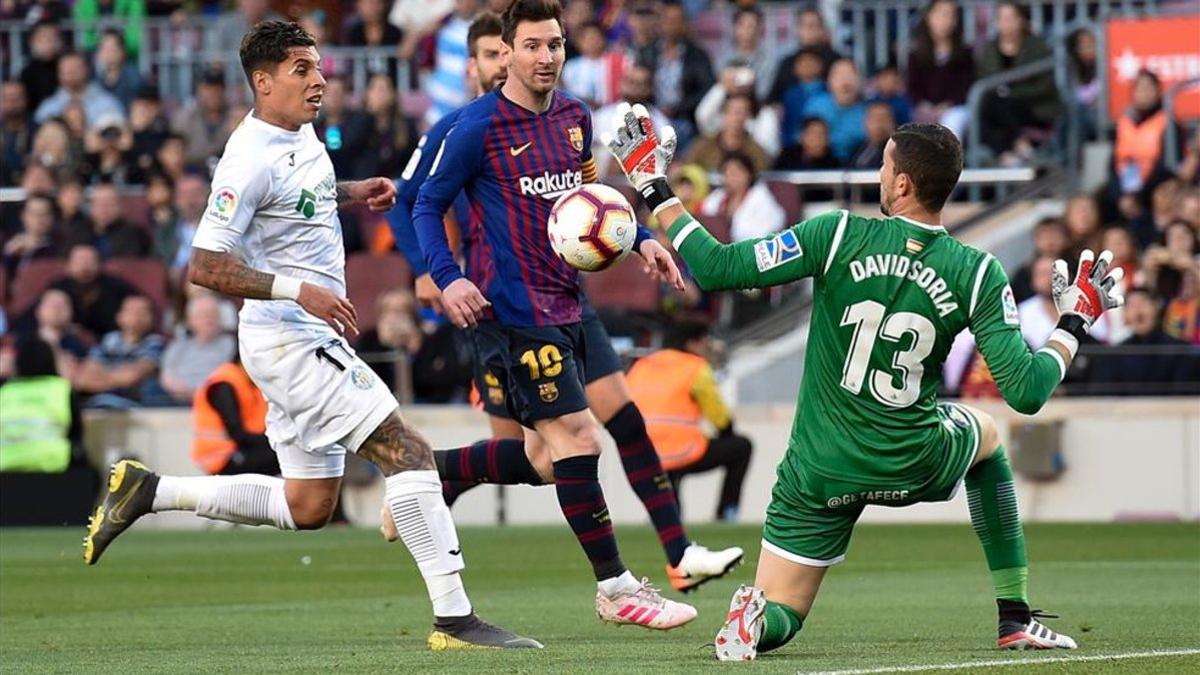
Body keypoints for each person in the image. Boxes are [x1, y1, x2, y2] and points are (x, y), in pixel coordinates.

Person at [81, 20, 540, 652]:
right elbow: (205, 266)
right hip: (290, 338)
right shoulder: (246, 158)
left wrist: (355, 193)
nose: (319, 79)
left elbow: (298, 198)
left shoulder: (299, 132)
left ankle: (151, 490)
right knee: (406, 450)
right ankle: (455, 619)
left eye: (319, 66)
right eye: (302, 69)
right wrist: (304, 292)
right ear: (262, 82)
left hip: (300, 336)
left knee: (310, 505)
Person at [605, 111, 1125, 657]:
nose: (880, 175)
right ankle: (1015, 615)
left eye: (884, 165)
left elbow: (714, 269)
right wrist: (1073, 323)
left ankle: (757, 620)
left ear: (901, 183)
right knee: (988, 435)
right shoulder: (977, 271)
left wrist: (654, 186)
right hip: (911, 455)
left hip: (819, 466)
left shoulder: (836, 233)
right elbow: (1027, 390)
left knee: (786, 610)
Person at [412, 0, 718, 628]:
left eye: (554, 45)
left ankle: (428, 472)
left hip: (569, 304)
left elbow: (588, 203)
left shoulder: (577, 119)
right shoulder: (476, 127)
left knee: (547, 460)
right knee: (581, 437)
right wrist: (448, 278)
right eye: (532, 46)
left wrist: (641, 240)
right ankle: (616, 587)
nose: (546, 57)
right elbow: (424, 206)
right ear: (509, 52)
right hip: (512, 311)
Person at [627, 321, 753, 522]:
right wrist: (727, 431)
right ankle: (727, 513)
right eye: (704, 343)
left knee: (669, 515)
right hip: (683, 450)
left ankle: (660, 515)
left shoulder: (641, 366)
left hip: (644, 453)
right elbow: (719, 417)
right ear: (692, 343)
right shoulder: (695, 367)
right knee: (741, 447)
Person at [976, 1, 1060, 162]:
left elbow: (1045, 86)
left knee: (997, 106)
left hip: (1033, 106)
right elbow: (984, 81)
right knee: (984, 112)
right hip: (998, 108)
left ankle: (1006, 151)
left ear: (1021, 20)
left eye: (1011, 18)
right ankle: (1016, 146)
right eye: (1002, 18)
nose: (1007, 23)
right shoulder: (990, 49)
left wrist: (1012, 93)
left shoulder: (1037, 47)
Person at [1088, 287, 1200, 394]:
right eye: (1132, 306)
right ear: (1125, 314)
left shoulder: (1180, 352)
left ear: (1156, 307)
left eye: (1143, 303)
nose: (1138, 312)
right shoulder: (1114, 356)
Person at [634, 0, 713, 148]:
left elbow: (706, 89)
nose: (671, 25)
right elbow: (638, 84)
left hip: (685, 117)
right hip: (652, 114)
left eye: (676, 20)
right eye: (667, 20)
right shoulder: (647, 52)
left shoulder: (697, 55)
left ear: (684, 24)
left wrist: (678, 109)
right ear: (660, 22)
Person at [0, 337, 80, 473]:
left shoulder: (5, 391)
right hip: (54, 466)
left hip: (6, 466)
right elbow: (76, 433)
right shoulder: (61, 389)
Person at [73, 294, 167, 407]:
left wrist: (101, 377)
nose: (136, 316)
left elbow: (134, 376)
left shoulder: (155, 343)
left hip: (133, 406)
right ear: (119, 316)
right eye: (131, 311)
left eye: (142, 312)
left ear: (151, 318)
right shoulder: (108, 341)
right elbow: (85, 378)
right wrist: (119, 379)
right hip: (98, 403)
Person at [191, 356, 278, 475]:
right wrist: (273, 442)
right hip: (222, 457)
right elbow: (237, 433)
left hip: (245, 449)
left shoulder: (252, 383)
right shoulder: (224, 384)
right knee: (285, 457)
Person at [906, 0, 974, 139]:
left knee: (952, 122)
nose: (946, 21)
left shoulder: (964, 53)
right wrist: (925, 105)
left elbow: (966, 85)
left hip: (956, 108)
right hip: (925, 107)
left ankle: (952, 160)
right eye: (942, 15)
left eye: (951, 15)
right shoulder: (916, 55)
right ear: (929, 17)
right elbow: (913, 86)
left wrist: (947, 105)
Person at [591, 63, 670, 178]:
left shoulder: (660, 121)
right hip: (603, 179)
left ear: (648, 89)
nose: (634, 88)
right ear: (621, 84)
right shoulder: (601, 116)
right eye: (630, 82)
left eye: (640, 84)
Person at [159, 294, 236, 404]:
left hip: (215, 398)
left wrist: (199, 392)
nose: (209, 319)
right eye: (203, 315)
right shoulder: (178, 346)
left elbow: (229, 378)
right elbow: (167, 377)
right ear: (191, 320)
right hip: (178, 397)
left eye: (213, 314)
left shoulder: (232, 345)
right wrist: (185, 391)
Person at [48, 244, 132, 337]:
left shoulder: (117, 288)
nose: (85, 266)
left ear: (99, 265)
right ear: (68, 265)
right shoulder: (57, 288)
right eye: (79, 261)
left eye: (90, 261)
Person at [700, 152, 786, 242]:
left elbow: (775, 224)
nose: (730, 178)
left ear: (748, 174)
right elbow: (705, 219)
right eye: (726, 173)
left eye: (734, 173)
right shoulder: (718, 197)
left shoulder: (761, 198)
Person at [767, 6, 841, 104]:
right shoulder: (787, 63)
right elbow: (774, 98)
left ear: (822, 29)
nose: (809, 30)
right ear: (798, 30)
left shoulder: (837, 62)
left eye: (813, 25)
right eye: (805, 25)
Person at [684, 93, 772, 173]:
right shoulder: (703, 146)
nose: (738, 118)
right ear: (724, 114)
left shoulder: (757, 153)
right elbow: (686, 172)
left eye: (743, 113)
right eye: (735, 112)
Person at [33, 51, 124, 127]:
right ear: (58, 73)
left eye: (75, 68)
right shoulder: (48, 108)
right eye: (66, 69)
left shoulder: (108, 104)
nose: (70, 73)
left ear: (87, 69)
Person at [802, 58, 867, 164]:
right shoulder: (815, 106)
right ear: (829, 81)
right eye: (840, 76)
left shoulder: (869, 111)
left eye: (851, 75)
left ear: (860, 81)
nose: (846, 81)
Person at [64, 182, 149, 258]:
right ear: (92, 207)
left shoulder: (132, 233)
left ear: (119, 207)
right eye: (99, 203)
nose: (104, 208)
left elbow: (129, 263)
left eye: (109, 203)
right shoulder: (78, 231)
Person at [313, 77, 374, 180]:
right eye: (329, 93)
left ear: (347, 96)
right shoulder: (314, 126)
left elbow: (347, 147)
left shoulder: (360, 121)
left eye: (338, 93)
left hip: (355, 179)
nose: (334, 97)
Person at [171, 67, 231, 172]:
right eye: (207, 88)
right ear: (199, 90)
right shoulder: (185, 117)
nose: (213, 94)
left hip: (227, 173)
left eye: (217, 88)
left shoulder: (235, 115)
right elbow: (177, 153)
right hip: (191, 173)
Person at [561, 21, 627, 109]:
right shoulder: (571, 66)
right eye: (587, 39)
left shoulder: (617, 62)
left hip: (611, 111)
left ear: (604, 39)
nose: (592, 42)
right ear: (578, 42)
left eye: (595, 38)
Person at [3, 192, 61, 278]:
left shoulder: (61, 244)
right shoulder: (9, 242)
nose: (39, 219)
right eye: (33, 213)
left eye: (44, 214)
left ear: (51, 217)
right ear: (24, 216)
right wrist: (9, 255)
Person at [1010, 218, 1068, 302]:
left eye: (1055, 234)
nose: (1050, 240)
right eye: (1044, 236)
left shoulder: (1077, 267)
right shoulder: (1023, 276)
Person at [19, 20, 63, 114]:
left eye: (52, 38)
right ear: (31, 42)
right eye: (43, 38)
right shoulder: (27, 73)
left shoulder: (67, 66)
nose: (48, 43)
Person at [93, 28, 143, 110]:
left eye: (113, 49)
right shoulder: (93, 79)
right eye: (104, 49)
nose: (109, 54)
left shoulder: (134, 79)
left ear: (123, 51)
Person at [2, 80, 32, 187]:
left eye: (17, 97)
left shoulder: (38, 131)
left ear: (26, 99)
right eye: (7, 98)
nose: (12, 102)